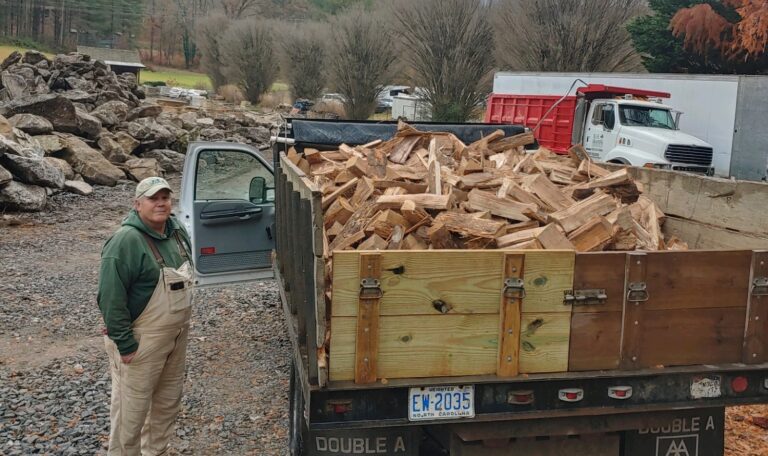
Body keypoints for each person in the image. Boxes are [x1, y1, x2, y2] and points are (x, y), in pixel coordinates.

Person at [97, 176, 194, 455]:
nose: (161, 203)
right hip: (142, 342)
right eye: (154, 198)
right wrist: (125, 345)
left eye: (165, 197)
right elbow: (110, 298)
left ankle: (156, 452)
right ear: (137, 204)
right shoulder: (125, 242)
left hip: (175, 338)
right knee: (131, 413)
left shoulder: (176, 230)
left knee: (166, 404)